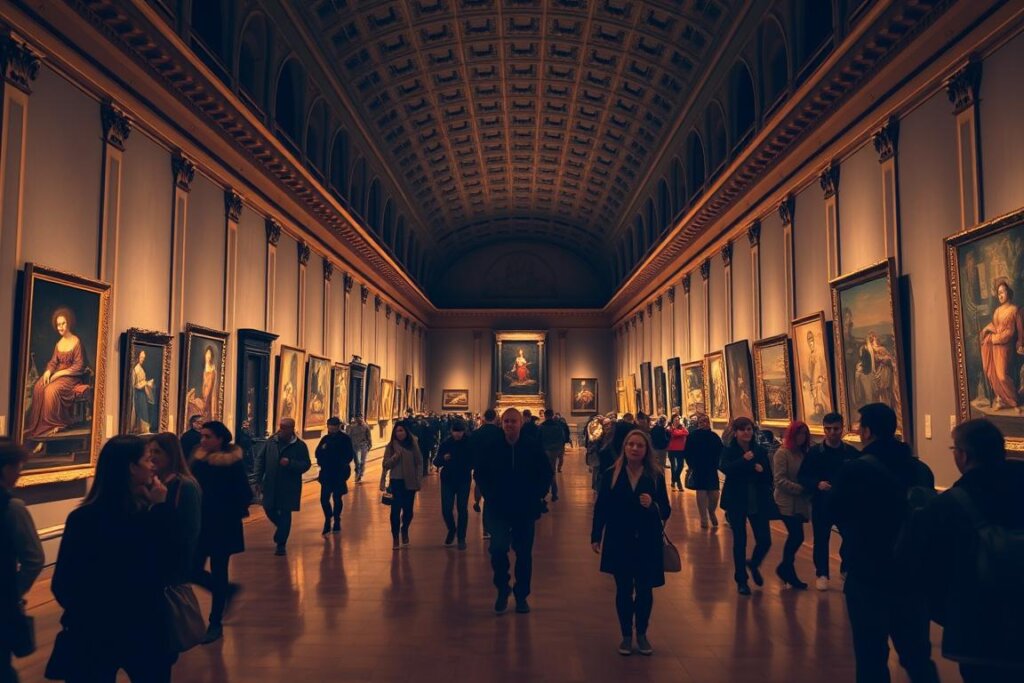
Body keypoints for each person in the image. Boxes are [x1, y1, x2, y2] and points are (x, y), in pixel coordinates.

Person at [897, 418, 1024, 682]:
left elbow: (916, 570)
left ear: (964, 455)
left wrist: (952, 613)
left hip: (978, 631)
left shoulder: (945, 507)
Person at [50, 435, 179, 681]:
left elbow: (64, 583)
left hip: (92, 630)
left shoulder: (83, 518)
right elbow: (170, 566)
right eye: (147, 459)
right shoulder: (146, 518)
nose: (153, 465)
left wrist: (88, 613)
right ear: (131, 468)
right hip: (143, 627)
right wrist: (161, 509)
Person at [831, 403, 939, 683]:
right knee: (917, 657)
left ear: (867, 431)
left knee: (871, 657)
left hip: (867, 572)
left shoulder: (854, 470)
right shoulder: (919, 469)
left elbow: (835, 512)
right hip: (912, 573)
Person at [591, 429, 671, 656]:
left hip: (647, 539)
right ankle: (626, 635)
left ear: (646, 450)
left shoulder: (655, 476)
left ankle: (642, 633)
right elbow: (602, 507)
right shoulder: (611, 474)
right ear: (624, 447)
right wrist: (596, 535)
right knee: (624, 589)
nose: (635, 449)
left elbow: (666, 509)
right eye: (631, 445)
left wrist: (653, 503)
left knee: (645, 590)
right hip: (620, 538)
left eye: (640, 446)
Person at [474, 408, 553, 614]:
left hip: (524, 508)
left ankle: (521, 595)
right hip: (497, 508)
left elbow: (545, 472)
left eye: (513, 421)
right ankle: (502, 587)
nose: (510, 424)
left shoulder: (532, 447)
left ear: (521, 423)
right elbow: (480, 473)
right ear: (501, 423)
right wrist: (490, 495)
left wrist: (537, 494)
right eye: (506, 421)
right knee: (498, 549)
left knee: (524, 553)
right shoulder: (491, 447)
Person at [189, 421, 252, 644]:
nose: (202, 440)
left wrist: (223, 507)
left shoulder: (231, 464)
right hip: (201, 524)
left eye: (208, 436)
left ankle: (215, 623)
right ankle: (228, 590)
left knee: (219, 570)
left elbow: (245, 494)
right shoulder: (197, 460)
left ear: (220, 439)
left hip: (222, 525)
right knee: (191, 569)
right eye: (202, 436)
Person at [798, 412, 859, 590]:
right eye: (828, 429)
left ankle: (845, 568)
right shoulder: (815, 453)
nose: (832, 432)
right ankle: (822, 573)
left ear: (842, 429)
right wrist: (817, 484)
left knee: (850, 537)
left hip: (845, 504)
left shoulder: (851, 452)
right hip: (822, 503)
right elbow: (803, 476)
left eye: (836, 429)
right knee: (821, 539)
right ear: (824, 430)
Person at [1, 441, 44, 683]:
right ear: (5, 468)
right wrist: (13, 591)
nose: (20, 471)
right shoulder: (11, 507)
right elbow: (34, 559)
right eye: (18, 465)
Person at [719, 416, 774, 595]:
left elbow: (767, 477)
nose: (747, 432)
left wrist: (761, 470)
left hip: (757, 499)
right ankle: (741, 579)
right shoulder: (729, 450)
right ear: (735, 433)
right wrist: (744, 461)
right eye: (743, 429)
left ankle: (754, 563)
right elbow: (725, 468)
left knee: (765, 539)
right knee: (740, 541)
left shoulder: (759, 451)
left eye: (749, 429)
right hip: (737, 500)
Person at [24, 308, 87, 450]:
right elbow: (53, 362)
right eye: (58, 324)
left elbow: (79, 366)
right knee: (39, 386)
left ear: (69, 323)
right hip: (57, 374)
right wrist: (48, 372)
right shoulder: (58, 344)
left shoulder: (76, 342)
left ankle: (53, 424)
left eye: (63, 323)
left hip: (72, 377)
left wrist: (59, 374)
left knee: (51, 390)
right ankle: (40, 427)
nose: (60, 327)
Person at [147, 433, 201, 585]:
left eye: (157, 452)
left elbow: (189, 530)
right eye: (149, 452)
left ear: (171, 455)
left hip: (174, 563)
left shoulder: (184, 485)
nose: (152, 457)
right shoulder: (155, 483)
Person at [256, 418, 311, 555]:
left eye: (285, 427)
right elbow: (261, 459)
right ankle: (281, 529)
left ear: (292, 428)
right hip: (271, 483)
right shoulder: (271, 442)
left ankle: (281, 544)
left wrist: (291, 463)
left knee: (286, 512)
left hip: (289, 486)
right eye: (281, 427)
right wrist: (257, 479)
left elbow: (306, 464)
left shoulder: (300, 446)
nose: (282, 430)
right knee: (268, 508)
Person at [773, 420, 812, 590]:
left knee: (797, 536)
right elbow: (779, 479)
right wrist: (801, 489)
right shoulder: (783, 453)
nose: (801, 437)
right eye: (798, 434)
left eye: (804, 434)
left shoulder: (803, 453)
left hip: (800, 502)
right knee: (796, 535)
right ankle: (787, 570)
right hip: (786, 501)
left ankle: (785, 568)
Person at [980, 280, 1024, 412]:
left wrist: (1020, 343)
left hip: (1006, 346)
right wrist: (986, 331)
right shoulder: (997, 311)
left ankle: (1013, 400)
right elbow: (995, 326)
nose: (1000, 295)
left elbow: (1015, 332)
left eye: (1002, 292)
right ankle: (1001, 399)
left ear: (1008, 292)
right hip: (994, 346)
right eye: (998, 293)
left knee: (1002, 376)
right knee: (994, 375)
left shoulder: (1014, 310)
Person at [381, 423, 424, 549]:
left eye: (402, 431)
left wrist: (418, 480)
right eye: (397, 431)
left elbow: (419, 462)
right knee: (395, 511)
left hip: (410, 482)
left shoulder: (413, 445)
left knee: (408, 511)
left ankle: (404, 529)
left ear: (406, 432)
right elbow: (386, 464)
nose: (399, 433)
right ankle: (395, 537)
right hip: (396, 482)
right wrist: (396, 456)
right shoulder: (391, 446)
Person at [434, 418, 473, 549]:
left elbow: (475, 460)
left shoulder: (469, 443)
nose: (457, 434)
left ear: (464, 431)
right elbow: (436, 461)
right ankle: (452, 529)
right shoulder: (446, 443)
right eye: (455, 431)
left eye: (460, 431)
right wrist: (443, 459)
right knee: (446, 509)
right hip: (448, 480)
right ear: (451, 431)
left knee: (462, 509)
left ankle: (461, 538)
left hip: (463, 479)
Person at [315, 417, 354, 536]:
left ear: (338, 426)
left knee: (337, 497)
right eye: (329, 425)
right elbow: (318, 453)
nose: (331, 427)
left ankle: (336, 519)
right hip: (326, 473)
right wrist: (322, 460)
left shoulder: (345, 438)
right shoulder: (325, 439)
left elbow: (349, 455)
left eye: (333, 425)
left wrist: (341, 463)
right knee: (324, 499)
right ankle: (328, 518)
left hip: (339, 473)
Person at [682, 413, 722, 529]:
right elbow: (687, 451)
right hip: (699, 467)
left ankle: (711, 510)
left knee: (714, 493)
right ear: (698, 423)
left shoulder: (714, 436)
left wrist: (718, 463)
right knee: (701, 491)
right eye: (702, 421)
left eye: (706, 421)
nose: (704, 423)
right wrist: (691, 465)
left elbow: (720, 450)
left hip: (711, 468)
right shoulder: (693, 436)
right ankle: (703, 517)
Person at [470, 409, 501, 535]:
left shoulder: (477, 433)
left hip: (480, 468)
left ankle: (486, 528)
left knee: (483, 491)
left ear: (484, 418)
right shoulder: (500, 433)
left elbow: (471, 450)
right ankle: (489, 527)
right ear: (495, 418)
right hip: (496, 469)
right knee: (491, 499)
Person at [538, 409, 566, 502]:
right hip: (554, 451)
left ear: (545, 416)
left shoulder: (541, 427)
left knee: (543, 472)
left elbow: (538, 440)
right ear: (552, 415)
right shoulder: (558, 426)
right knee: (552, 472)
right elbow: (562, 438)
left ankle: (544, 493)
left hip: (544, 451)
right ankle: (554, 493)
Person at [666, 416, 689, 490]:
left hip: (681, 449)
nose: (677, 421)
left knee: (680, 465)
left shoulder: (682, 427)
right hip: (672, 449)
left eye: (678, 420)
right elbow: (675, 434)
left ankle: (674, 479)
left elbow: (686, 432)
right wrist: (680, 432)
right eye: (675, 420)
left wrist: (681, 430)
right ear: (672, 420)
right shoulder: (670, 428)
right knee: (673, 466)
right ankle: (678, 483)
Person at [348, 416, 371, 483]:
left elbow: (369, 436)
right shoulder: (352, 427)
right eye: (358, 418)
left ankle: (360, 475)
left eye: (361, 418)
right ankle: (357, 473)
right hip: (355, 446)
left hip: (363, 446)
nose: (360, 420)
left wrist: (369, 445)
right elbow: (349, 436)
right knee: (357, 462)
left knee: (362, 461)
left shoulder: (366, 427)